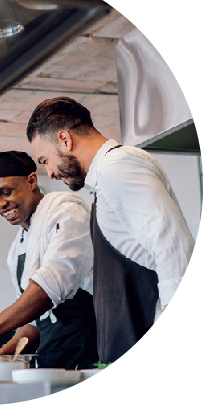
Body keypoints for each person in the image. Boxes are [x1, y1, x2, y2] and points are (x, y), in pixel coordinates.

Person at [26, 96, 195, 364]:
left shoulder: (119, 167)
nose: (50, 173)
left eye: (45, 160)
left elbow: (175, 249)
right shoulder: (105, 179)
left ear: (65, 140)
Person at [0, 151, 98, 369]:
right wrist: (10, 351)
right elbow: (31, 324)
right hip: (50, 359)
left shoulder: (68, 214)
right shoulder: (18, 247)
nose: (0, 204)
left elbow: (50, 286)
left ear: (32, 181)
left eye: (6, 192)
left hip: (87, 355)